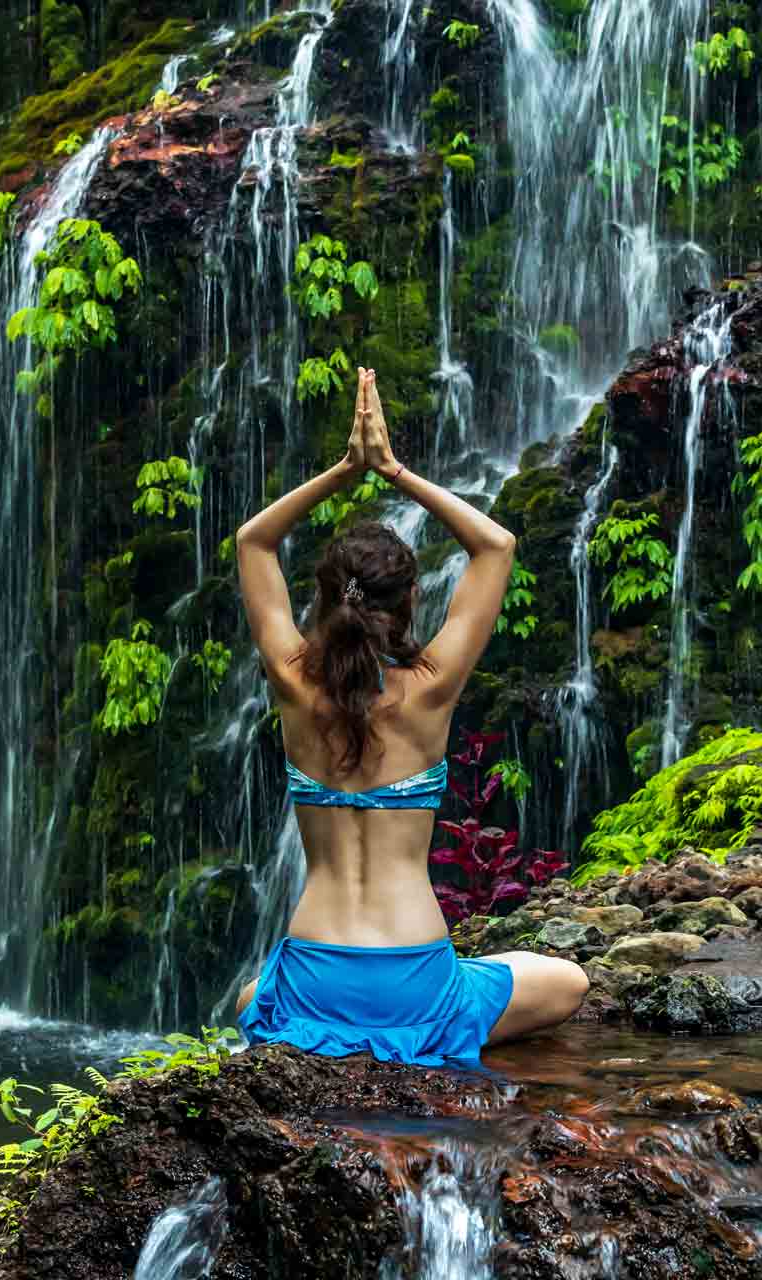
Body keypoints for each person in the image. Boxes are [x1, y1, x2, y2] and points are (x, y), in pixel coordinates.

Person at [231, 366, 588, 1067]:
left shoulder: (293, 685)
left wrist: (344, 469)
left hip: (314, 976)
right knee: (569, 981)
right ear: (409, 602)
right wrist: (392, 470)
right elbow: (496, 546)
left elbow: (252, 542)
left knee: (251, 997)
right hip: (415, 978)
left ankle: (309, 1024)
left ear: (326, 601)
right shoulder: (430, 690)